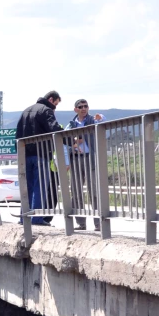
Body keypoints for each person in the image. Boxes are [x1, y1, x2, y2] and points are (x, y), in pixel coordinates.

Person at [15, 91, 64, 225]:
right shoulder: (46, 110)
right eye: (56, 104)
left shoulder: (25, 111)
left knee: (28, 188)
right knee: (40, 187)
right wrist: (71, 141)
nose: (55, 108)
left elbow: (18, 134)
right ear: (51, 99)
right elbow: (54, 129)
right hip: (41, 154)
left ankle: (23, 218)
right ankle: (36, 219)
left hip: (24, 155)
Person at [65, 99, 105, 231]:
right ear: (75, 109)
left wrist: (101, 118)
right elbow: (64, 141)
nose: (83, 108)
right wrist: (74, 142)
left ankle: (98, 223)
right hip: (75, 159)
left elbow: (103, 124)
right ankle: (81, 223)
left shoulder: (92, 121)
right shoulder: (71, 125)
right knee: (76, 191)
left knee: (93, 190)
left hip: (90, 158)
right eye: (80, 106)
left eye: (85, 106)